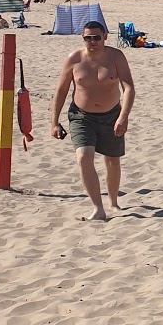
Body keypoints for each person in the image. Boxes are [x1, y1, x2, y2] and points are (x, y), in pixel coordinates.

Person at [50, 19, 135, 221]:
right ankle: (98, 208)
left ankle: (113, 202)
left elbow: (129, 88)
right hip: (81, 116)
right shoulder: (74, 59)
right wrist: (54, 122)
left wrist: (123, 117)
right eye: (88, 38)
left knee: (112, 162)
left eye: (97, 37)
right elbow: (61, 91)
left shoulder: (116, 57)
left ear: (105, 36)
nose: (92, 42)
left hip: (111, 116)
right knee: (83, 157)